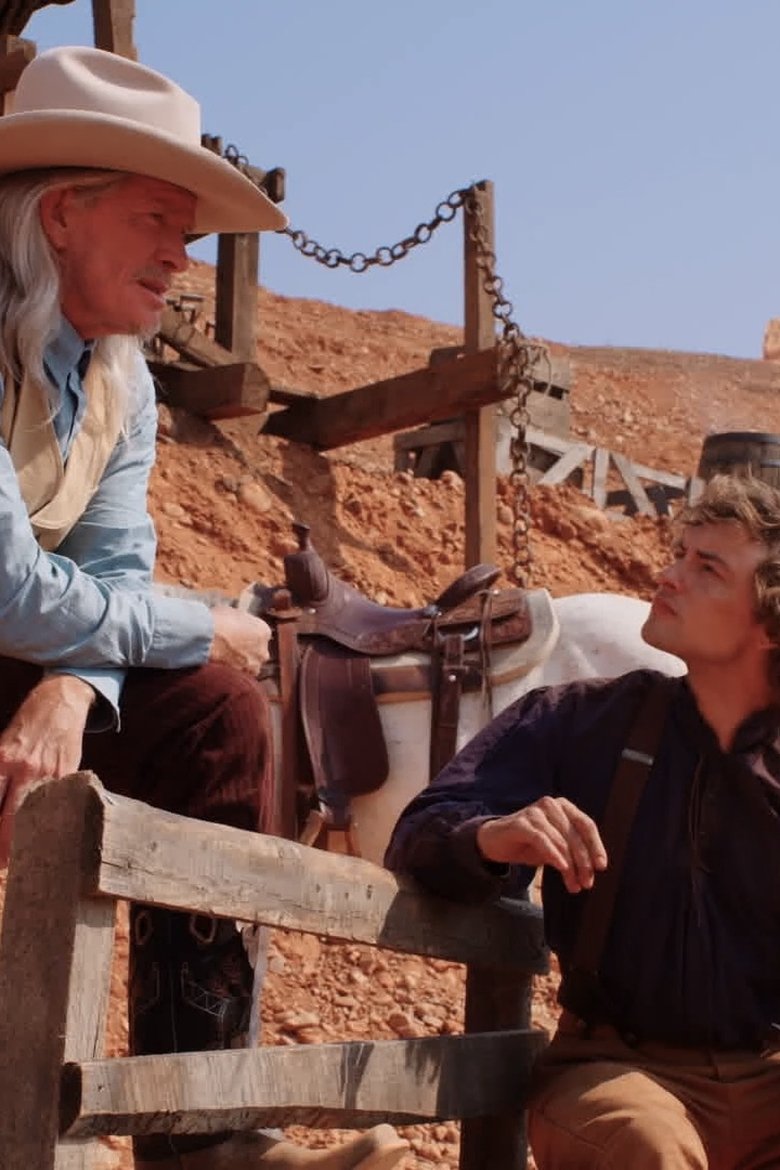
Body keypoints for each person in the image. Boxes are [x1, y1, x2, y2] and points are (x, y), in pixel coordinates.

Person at [0, 45, 408, 1170]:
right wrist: (209, 624)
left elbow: (111, 572)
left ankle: (203, 1136)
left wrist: (73, 683)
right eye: (158, 222)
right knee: (213, 660)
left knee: (219, 720)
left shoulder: (120, 377)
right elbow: (11, 588)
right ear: (63, 214)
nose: (182, 258)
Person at [386, 472, 780, 1170]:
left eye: (707, 568)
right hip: (614, 1071)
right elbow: (422, 830)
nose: (669, 576)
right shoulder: (579, 720)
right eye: (679, 554)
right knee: (648, 1149)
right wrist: (490, 837)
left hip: (768, 1071)